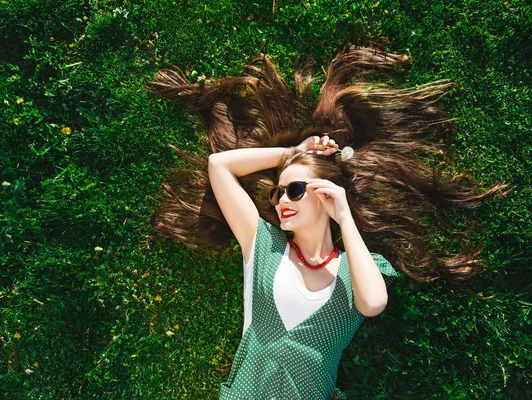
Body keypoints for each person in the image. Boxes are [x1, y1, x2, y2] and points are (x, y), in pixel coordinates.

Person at [147, 46, 506, 399]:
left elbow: (373, 304)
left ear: (327, 192)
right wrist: (292, 153)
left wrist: (345, 217)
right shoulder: (263, 244)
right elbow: (219, 166)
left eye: (296, 190)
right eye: (278, 193)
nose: (282, 200)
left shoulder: (356, 267)